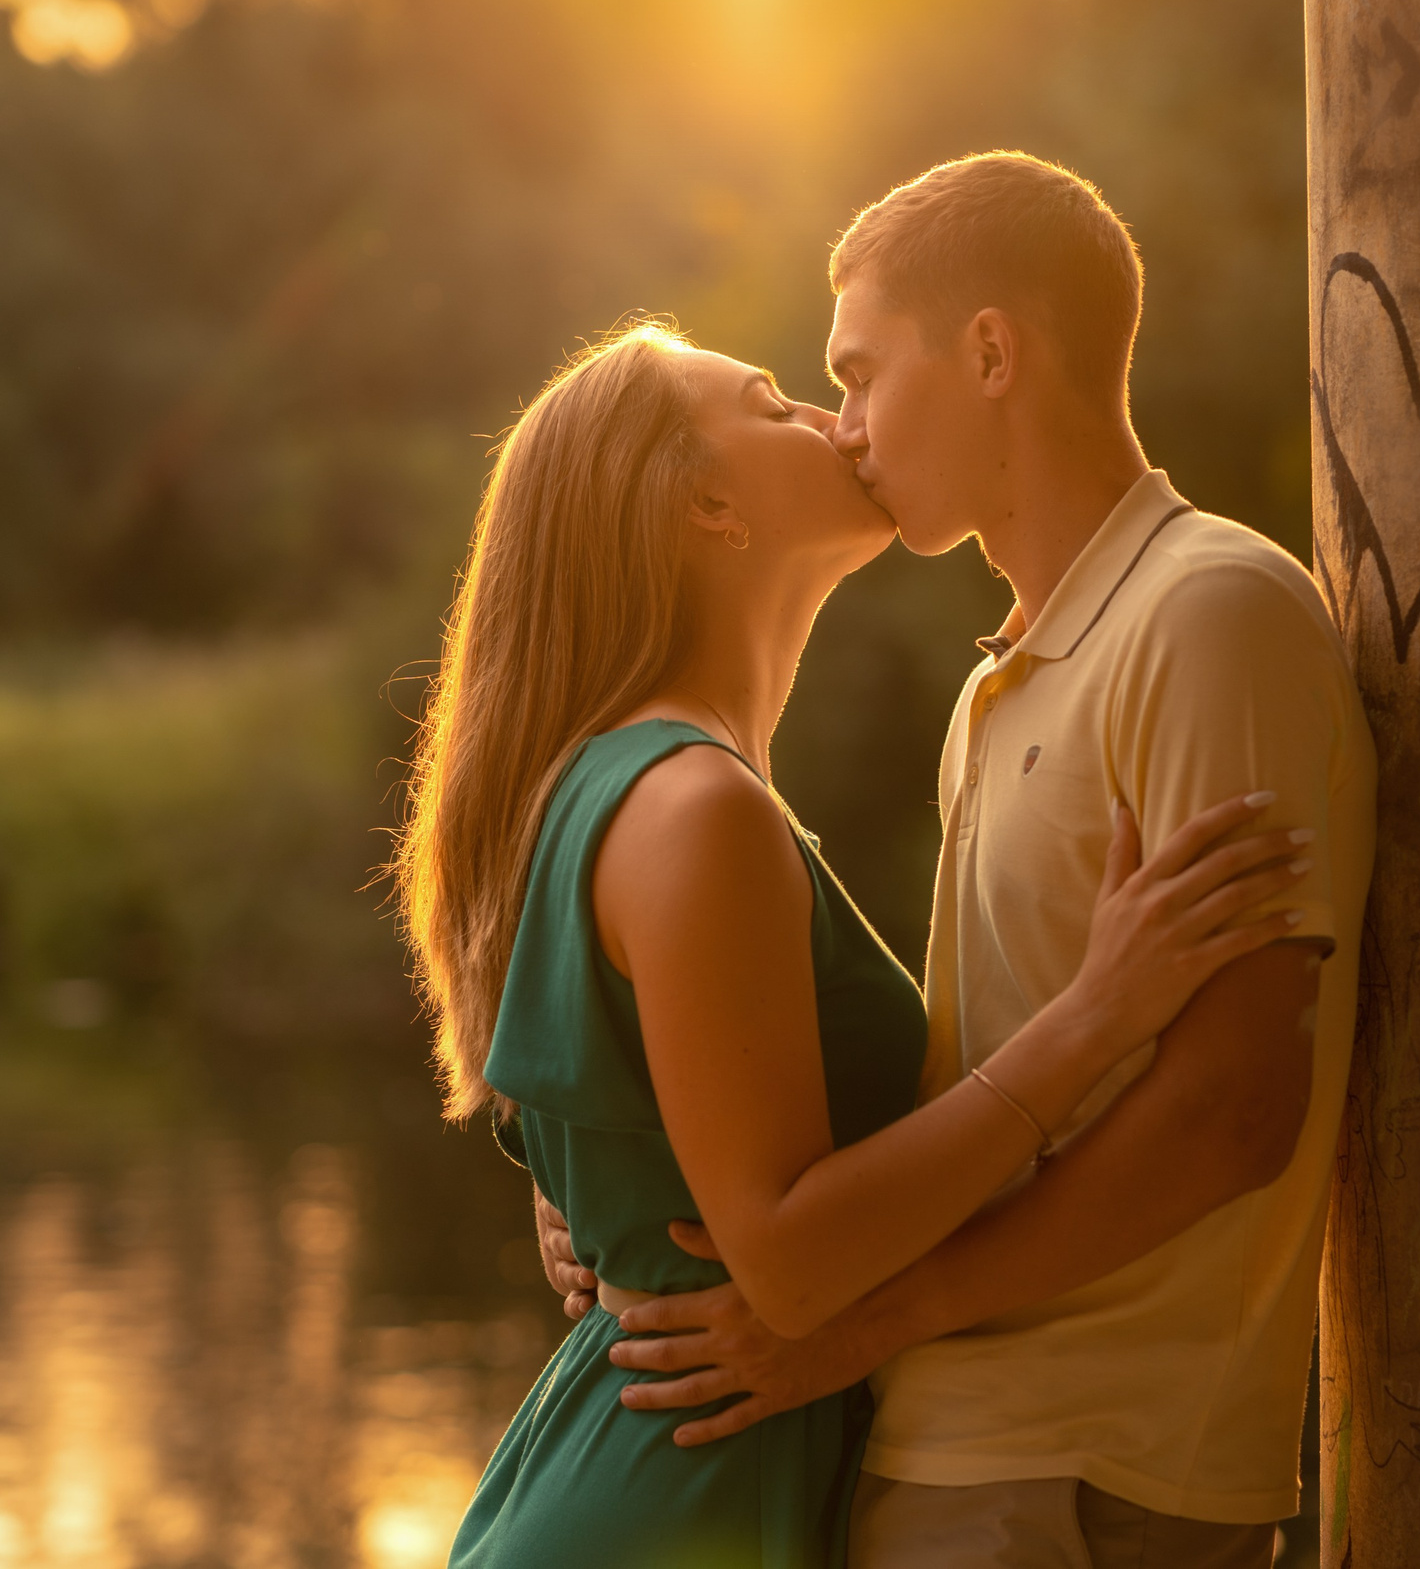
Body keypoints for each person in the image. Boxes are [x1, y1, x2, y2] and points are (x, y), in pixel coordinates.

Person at [546, 153, 1376, 1569]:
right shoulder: (996, 684)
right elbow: (973, 1081)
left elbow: (1233, 1108)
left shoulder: (1207, 614)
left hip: (1081, 1477)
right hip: (953, 1455)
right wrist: (632, 1189)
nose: (844, 427)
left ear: (990, 351)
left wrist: (845, 1324)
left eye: (861, 374)